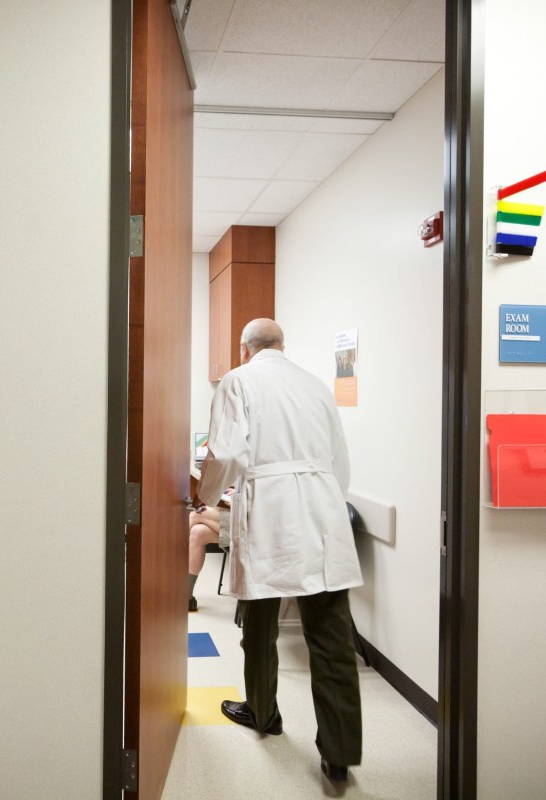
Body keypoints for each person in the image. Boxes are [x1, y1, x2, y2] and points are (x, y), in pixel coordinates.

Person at [196, 318, 362, 785]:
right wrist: (326, 502)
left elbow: (225, 453)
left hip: (270, 515)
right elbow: (339, 459)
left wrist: (207, 497)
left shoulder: (238, 379)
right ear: (282, 346)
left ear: (244, 349)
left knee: (259, 625)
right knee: (330, 638)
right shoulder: (315, 385)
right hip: (323, 514)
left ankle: (264, 714)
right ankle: (340, 754)